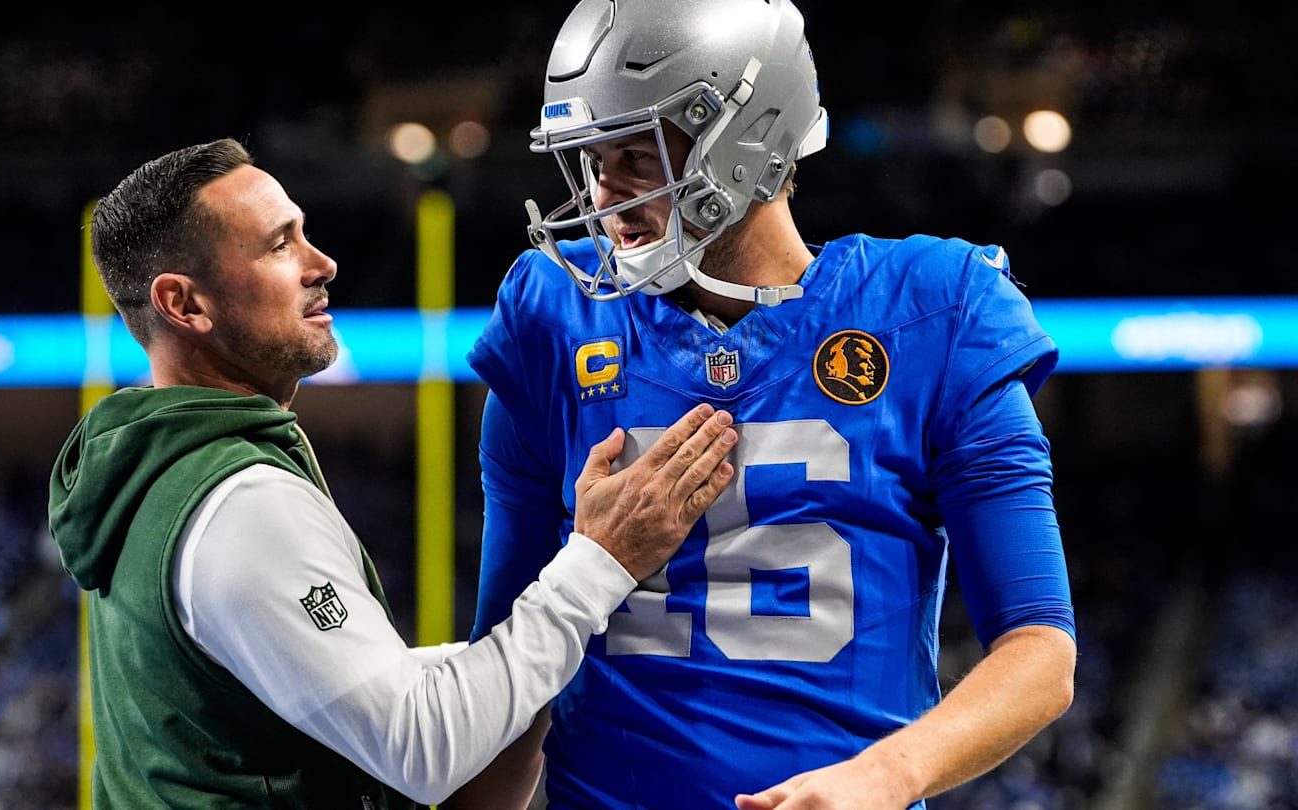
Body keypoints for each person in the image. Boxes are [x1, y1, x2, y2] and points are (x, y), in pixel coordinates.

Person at [444, 0, 1078, 808]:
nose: (605, 198)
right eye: (591, 162)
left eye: (636, 156)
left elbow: (1040, 652)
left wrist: (887, 774)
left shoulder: (936, 311)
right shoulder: (551, 321)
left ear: (743, 141)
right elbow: (514, 669)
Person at [46, 137, 741, 809]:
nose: (322, 263)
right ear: (185, 304)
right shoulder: (239, 503)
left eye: (304, 233)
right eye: (278, 244)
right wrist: (599, 562)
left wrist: (540, 649)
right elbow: (423, 746)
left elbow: (376, 689)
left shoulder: (169, 475)